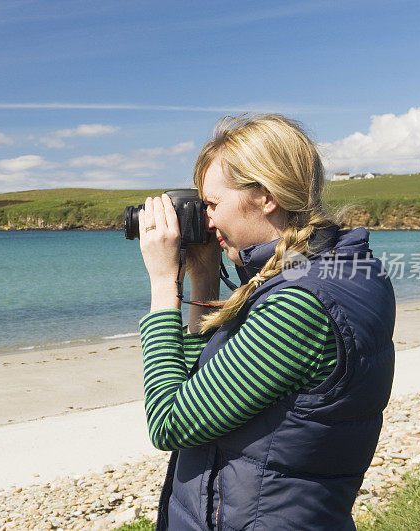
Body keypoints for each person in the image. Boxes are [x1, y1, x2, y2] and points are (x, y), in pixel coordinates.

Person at [137, 114, 395, 530]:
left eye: (213, 205)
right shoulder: (333, 268)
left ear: (265, 196)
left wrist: (164, 283)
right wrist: (204, 275)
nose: (207, 221)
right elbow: (201, 382)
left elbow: (171, 421)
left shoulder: (299, 303)